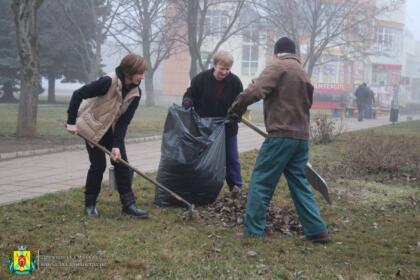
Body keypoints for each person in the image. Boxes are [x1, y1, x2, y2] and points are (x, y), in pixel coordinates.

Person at [229, 37, 330, 243]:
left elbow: (256, 90)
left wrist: (236, 108)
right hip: (301, 138)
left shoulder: (278, 67)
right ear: (294, 52)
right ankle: (316, 230)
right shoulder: (303, 73)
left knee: (261, 181)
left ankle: (253, 231)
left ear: (277, 53)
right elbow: (307, 103)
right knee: (300, 183)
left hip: (281, 136)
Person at [66, 53, 148, 218]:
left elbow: (124, 122)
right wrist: (71, 122)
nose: (142, 76)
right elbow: (78, 94)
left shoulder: (136, 93)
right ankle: (90, 205)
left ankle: (128, 205)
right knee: (98, 165)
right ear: (130, 72)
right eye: (140, 73)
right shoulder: (107, 82)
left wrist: (116, 145)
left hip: (110, 130)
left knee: (122, 164)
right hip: (92, 126)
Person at [182, 50, 244, 196]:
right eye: (222, 68)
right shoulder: (201, 79)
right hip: (204, 129)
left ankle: (236, 187)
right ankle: (200, 186)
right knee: (202, 158)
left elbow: (241, 103)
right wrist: (188, 101)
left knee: (231, 158)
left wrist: (236, 115)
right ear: (214, 65)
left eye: (227, 69)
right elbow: (190, 94)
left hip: (227, 128)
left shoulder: (235, 83)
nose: (224, 72)